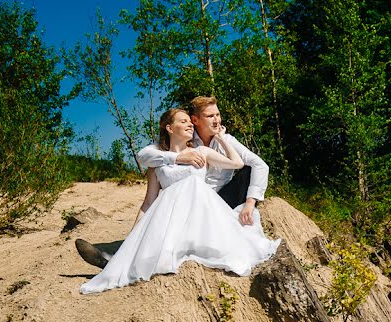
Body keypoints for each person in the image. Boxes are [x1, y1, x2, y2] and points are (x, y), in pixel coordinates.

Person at [79, 108, 280, 294]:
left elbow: (238, 163)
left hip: (203, 208)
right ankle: (114, 257)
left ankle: (120, 255)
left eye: (189, 122)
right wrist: (134, 235)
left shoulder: (200, 151)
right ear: (169, 127)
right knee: (152, 251)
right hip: (172, 214)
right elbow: (148, 200)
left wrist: (221, 138)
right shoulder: (157, 160)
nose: (189, 125)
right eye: (183, 121)